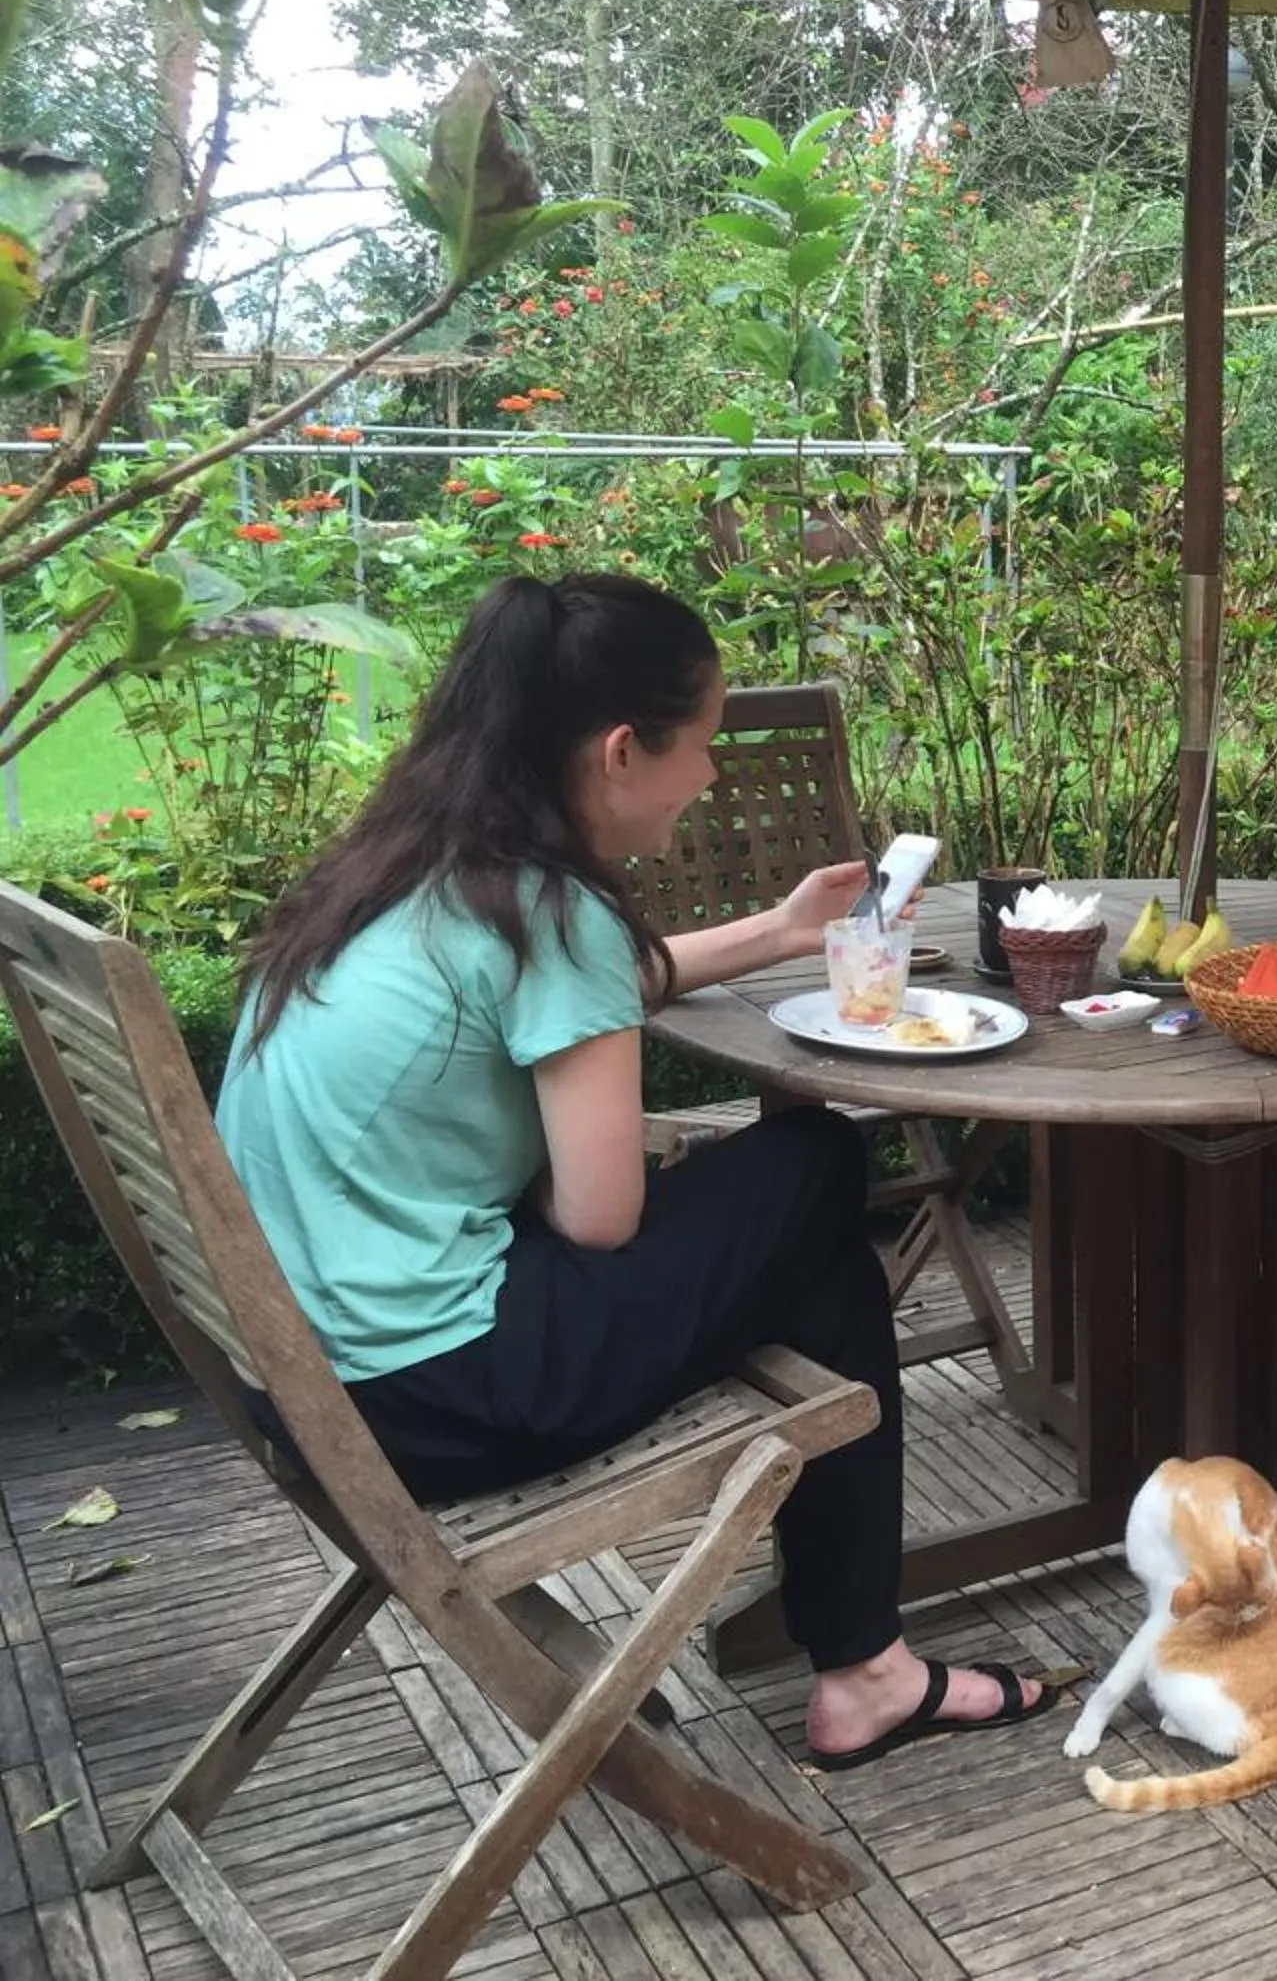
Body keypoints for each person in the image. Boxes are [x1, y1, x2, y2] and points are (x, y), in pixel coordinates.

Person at [215, 572, 1058, 1769]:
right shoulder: (556, 915)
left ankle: (867, 1669)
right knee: (815, 1156)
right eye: (704, 745)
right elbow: (597, 1218)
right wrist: (619, 1153)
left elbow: (583, 992)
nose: (709, 775)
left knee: (817, 1269)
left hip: (304, 1384)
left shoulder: (405, 873)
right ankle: (864, 1668)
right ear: (622, 750)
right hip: (443, 1394)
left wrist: (773, 934)